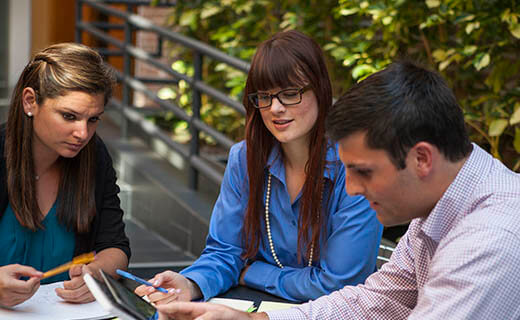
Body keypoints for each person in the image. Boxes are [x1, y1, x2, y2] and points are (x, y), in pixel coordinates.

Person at [153, 60, 520, 320]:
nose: (354, 190)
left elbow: (344, 286)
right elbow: (374, 301)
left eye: (363, 171)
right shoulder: (439, 211)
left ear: (422, 158)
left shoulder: (490, 238)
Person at [136, 30, 382, 303]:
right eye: (264, 96)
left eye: (289, 93)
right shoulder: (244, 158)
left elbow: (340, 284)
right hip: (254, 307)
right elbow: (225, 251)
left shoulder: (353, 166)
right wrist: (190, 283)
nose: (275, 108)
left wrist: (256, 273)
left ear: (320, 90)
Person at [0, 43, 131, 307]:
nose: (83, 133)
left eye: (93, 119)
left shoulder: (94, 156)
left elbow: (116, 246)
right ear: (30, 101)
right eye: (69, 116)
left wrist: (97, 273)